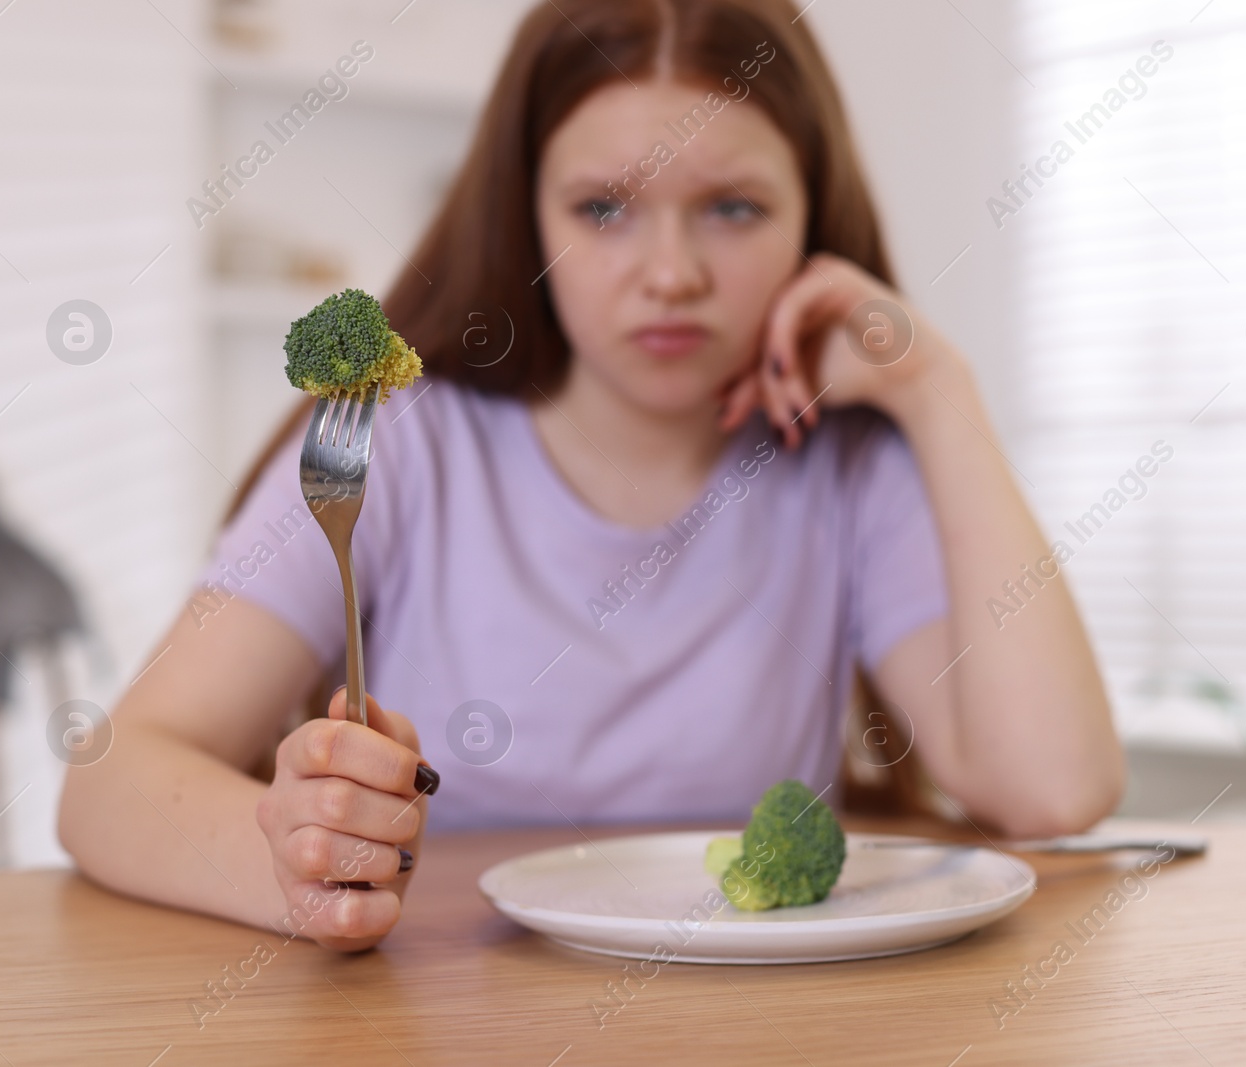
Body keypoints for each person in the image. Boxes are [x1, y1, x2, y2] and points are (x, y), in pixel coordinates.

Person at [59, 0, 1123, 952]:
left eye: (735, 207)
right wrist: (294, 867)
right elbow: (112, 775)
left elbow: (1052, 788)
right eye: (604, 209)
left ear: (814, 216)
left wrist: (939, 391)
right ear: (524, 218)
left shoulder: (848, 462)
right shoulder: (402, 442)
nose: (671, 273)